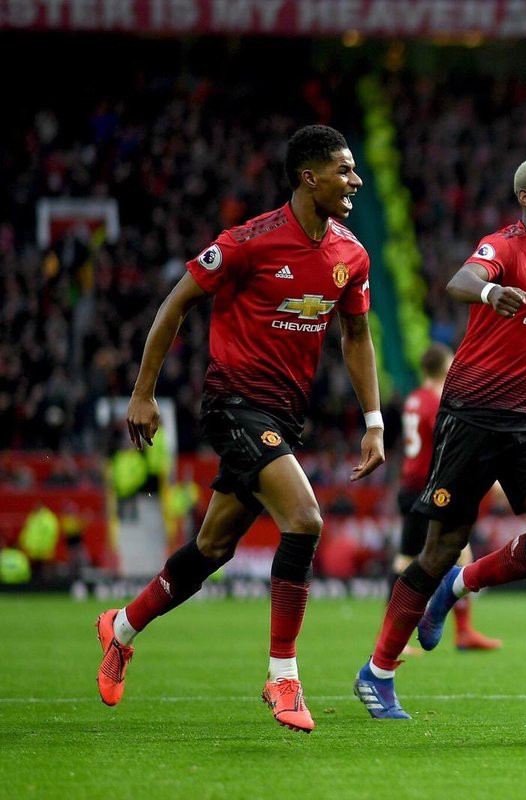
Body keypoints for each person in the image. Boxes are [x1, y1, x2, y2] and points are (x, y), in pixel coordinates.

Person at [96, 125, 385, 734]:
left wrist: (373, 421)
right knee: (305, 520)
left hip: (284, 416)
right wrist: (143, 393)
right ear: (309, 177)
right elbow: (174, 304)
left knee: (212, 548)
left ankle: (120, 627)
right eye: (344, 170)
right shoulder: (248, 242)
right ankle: (283, 676)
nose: (355, 181)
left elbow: (357, 336)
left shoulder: (352, 255)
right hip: (233, 404)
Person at [352, 156, 526, 720]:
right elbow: (461, 281)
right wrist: (488, 293)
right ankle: (377, 672)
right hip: (473, 414)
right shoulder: (503, 246)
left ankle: (460, 584)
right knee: (436, 548)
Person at [391, 342, 501, 652]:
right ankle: (395, 636)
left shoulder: (415, 398)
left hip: (412, 484)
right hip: (429, 489)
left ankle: (463, 632)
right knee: (409, 560)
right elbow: (451, 445)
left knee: (457, 554)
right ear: (445, 366)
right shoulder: (437, 401)